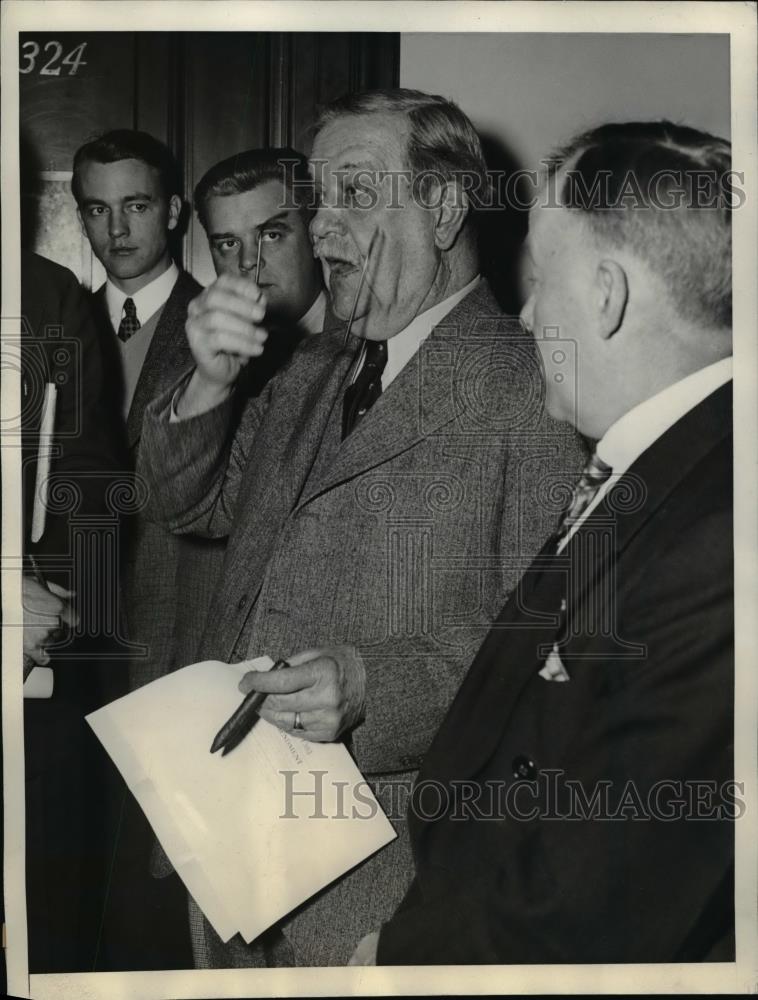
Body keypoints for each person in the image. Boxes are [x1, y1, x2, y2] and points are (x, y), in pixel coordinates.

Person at [139, 87, 586, 967]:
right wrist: (207, 386)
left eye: (354, 193)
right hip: (233, 859)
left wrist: (375, 684)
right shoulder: (311, 369)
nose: (321, 229)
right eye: (317, 200)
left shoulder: (536, 389)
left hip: (383, 885)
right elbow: (183, 504)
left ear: (446, 207)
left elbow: (551, 654)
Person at [350, 121, 735, 965]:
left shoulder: (722, 533)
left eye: (539, 281)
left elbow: (612, 887)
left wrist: (398, 964)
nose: (525, 315)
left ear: (605, 295)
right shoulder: (665, 460)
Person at [72, 129, 203, 968]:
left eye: (137, 206)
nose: (116, 229)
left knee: (153, 891)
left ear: (173, 211)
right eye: (96, 209)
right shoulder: (61, 320)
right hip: (73, 647)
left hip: (170, 642)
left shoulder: (220, 326)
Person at [172, 146, 327, 671]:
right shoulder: (208, 351)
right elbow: (176, 504)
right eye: (227, 244)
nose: (247, 264)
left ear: (316, 232)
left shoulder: (375, 344)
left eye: (271, 234)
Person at [20, 250, 123, 971]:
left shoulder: (46, 292)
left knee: (48, 916)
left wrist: (65, 607)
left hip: (34, 669)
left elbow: (88, 467)